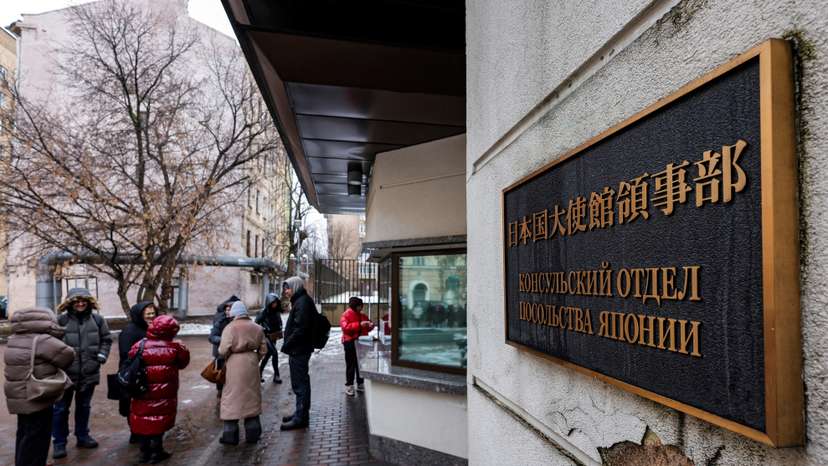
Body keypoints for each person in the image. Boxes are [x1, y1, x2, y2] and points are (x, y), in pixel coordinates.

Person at [4, 307, 75, 466]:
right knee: (38, 435)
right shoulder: (43, 340)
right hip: (38, 395)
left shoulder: (13, 338)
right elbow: (67, 355)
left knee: (24, 433)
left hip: (19, 396)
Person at [52, 287, 113, 460]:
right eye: (77, 301)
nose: (80, 304)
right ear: (70, 303)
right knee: (60, 409)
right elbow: (51, 343)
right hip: (64, 374)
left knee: (84, 407)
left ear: (88, 303)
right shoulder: (60, 321)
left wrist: (100, 357)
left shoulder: (98, 320)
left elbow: (106, 340)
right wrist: (58, 361)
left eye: (83, 301)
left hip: (89, 371)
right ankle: (59, 442)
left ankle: (82, 436)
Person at [129, 315, 190, 464]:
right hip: (165, 392)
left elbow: (130, 359)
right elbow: (183, 363)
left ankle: (144, 453)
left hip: (142, 389)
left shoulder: (140, 345)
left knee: (143, 419)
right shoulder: (175, 347)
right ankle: (157, 452)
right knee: (159, 421)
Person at [218, 301, 267, 445]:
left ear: (234, 313)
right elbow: (264, 349)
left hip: (234, 364)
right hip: (251, 365)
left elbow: (222, 351)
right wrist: (254, 358)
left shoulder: (230, 328)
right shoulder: (257, 328)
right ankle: (253, 434)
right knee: (251, 397)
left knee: (231, 398)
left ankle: (230, 435)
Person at [280, 276, 316, 431]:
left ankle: (301, 418)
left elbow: (300, 329)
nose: (285, 291)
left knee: (300, 384)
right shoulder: (300, 300)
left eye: (287, 288)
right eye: (285, 288)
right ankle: (299, 413)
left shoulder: (302, 302)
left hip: (299, 349)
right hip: (299, 348)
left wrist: (287, 343)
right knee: (300, 383)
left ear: (295, 287)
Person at [118, 301, 156, 443]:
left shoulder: (153, 328)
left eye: (153, 313)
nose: (151, 316)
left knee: (146, 404)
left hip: (149, 374)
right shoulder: (129, 331)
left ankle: (145, 432)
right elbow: (126, 354)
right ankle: (135, 432)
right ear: (139, 315)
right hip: (134, 374)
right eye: (148, 314)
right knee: (133, 405)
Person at [340, 297, 373, 396]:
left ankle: (360, 383)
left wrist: (370, 325)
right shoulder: (346, 315)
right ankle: (349, 386)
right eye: (360, 305)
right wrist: (360, 324)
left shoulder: (362, 315)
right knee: (351, 364)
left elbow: (369, 325)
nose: (362, 307)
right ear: (355, 306)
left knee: (360, 364)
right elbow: (345, 328)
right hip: (350, 342)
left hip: (362, 341)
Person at [209, 295, 239, 397]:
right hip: (221, 352)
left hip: (234, 353)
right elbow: (212, 337)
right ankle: (220, 390)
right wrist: (223, 340)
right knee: (221, 372)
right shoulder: (221, 321)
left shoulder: (238, 321)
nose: (228, 312)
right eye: (227, 309)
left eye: (230, 310)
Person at [255, 293, 283, 384]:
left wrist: (279, 328)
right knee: (274, 353)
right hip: (265, 337)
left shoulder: (276, 312)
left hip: (273, 336)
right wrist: (263, 329)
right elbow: (256, 323)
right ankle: (276, 375)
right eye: (273, 302)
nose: (275, 304)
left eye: (276, 303)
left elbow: (280, 322)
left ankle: (259, 373)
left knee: (268, 355)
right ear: (269, 302)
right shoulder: (263, 312)